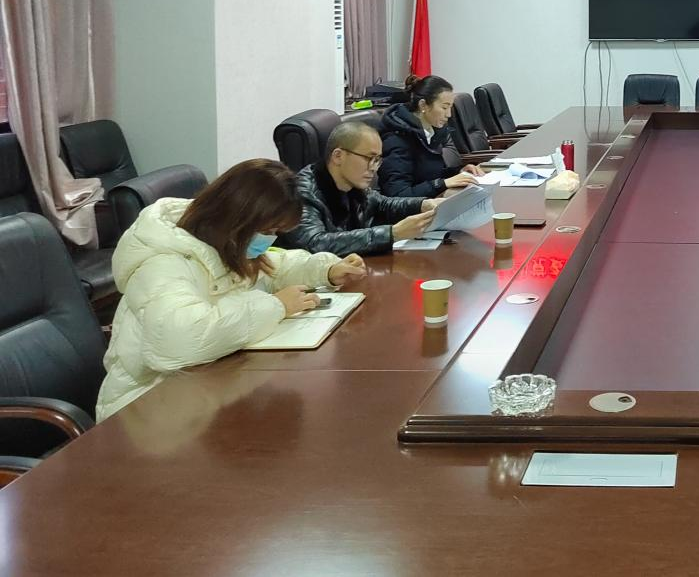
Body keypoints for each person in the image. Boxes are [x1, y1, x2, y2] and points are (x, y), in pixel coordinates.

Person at [96, 159, 369, 420]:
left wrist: (325, 269)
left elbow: (274, 266)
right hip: (145, 408)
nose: (270, 239)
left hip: (202, 387)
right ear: (239, 218)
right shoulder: (163, 262)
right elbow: (179, 340)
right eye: (268, 230)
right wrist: (276, 306)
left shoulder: (220, 239)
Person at [277, 120, 439, 256]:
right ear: (338, 156)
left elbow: (383, 204)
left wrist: (423, 204)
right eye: (369, 158)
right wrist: (393, 233)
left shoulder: (353, 185)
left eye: (377, 160)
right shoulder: (302, 192)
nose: (374, 168)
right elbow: (315, 244)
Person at [378, 74, 484, 198]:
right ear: (423, 105)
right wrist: (442, 184)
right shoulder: (397, 138)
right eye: (444, 107)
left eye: (450, 107)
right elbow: (397, 194)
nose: (449, 114)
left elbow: (430, 173)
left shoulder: (431, 131)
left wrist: (459, 172)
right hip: (414, 208)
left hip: (430, 201)